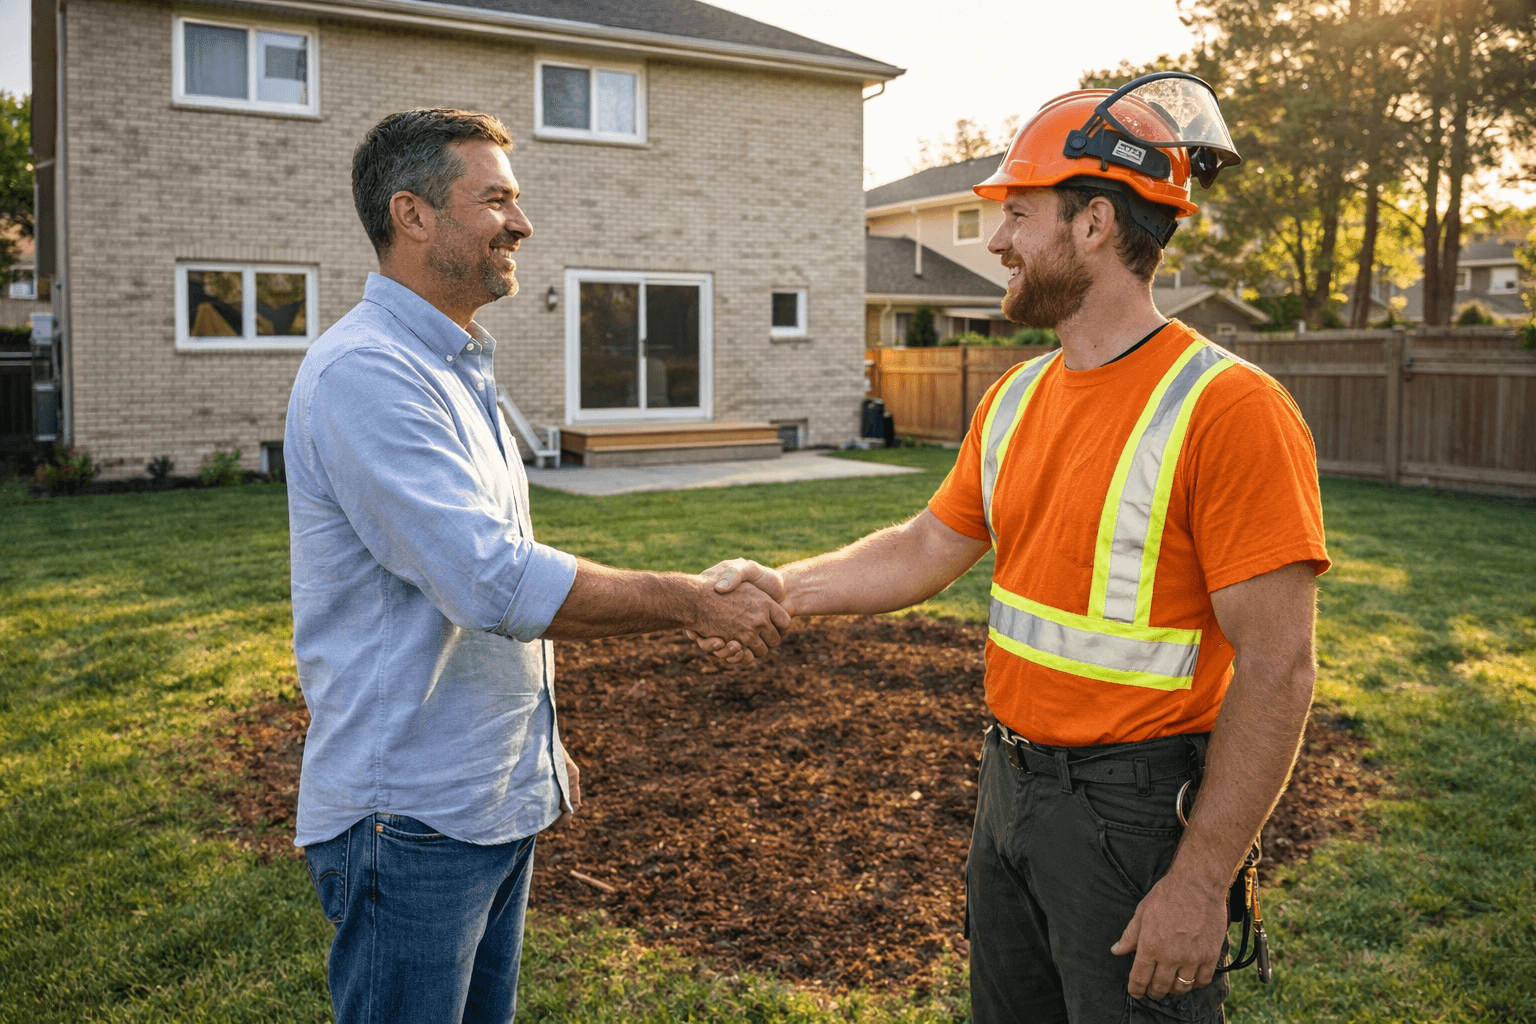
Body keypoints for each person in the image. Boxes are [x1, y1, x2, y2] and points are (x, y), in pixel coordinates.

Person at [699, 75, 1329, 1024]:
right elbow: (923, 547)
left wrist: (1202, 879)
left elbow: (1279, 669)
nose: (995, 241)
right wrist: (779, 587)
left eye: (1017, 213)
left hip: (1135, 815)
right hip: (1010, 789)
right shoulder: (1018, 397)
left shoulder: (1231, 410)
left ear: (1095, 225)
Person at [284, 108, 788, 1024]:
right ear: (415, 215)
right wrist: (690, 603)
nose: (522, 224)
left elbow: (480, 590)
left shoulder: (449, 367)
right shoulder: (368, 373)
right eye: (498, 200)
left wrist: (533, 756)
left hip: (480, 802)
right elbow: (492, 582)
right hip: (410, 819)